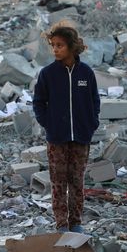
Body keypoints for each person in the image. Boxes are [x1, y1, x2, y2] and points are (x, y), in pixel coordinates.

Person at [32, 22, 100, 233]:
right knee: (59, 183)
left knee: (77, 181)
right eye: (53, 45)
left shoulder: (86, 73)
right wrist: (48, 123)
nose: (55, 49)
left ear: (71, 46)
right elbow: (38, 102)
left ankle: (76, 223)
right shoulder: (48, 74)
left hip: (81, 137)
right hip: (57, 138)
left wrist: (91, 123)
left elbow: (94, 100)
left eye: (60, 45)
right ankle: (61, 224)